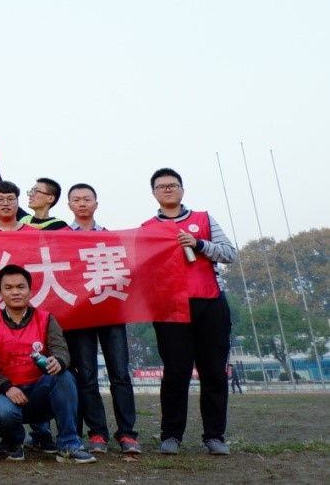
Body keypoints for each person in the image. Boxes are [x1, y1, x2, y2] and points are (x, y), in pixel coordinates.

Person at [143, 168, 236, 456]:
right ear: (154, 193)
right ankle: (171, 435)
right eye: (161, 186)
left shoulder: (204, 219)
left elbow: (229, 253)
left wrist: (199, 244)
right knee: (175, 373)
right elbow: (142, 269)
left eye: (173, 185)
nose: (167, 190)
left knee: (214, 373)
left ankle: (214, 436)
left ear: (182, 189)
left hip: (210, 303)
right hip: (170, 309)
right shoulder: (147, 229)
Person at [0, 264, 94, 463]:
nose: (15, 292)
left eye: (20, 287)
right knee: (2, 411)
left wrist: (59, 361)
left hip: (40, 393)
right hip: (7, 394)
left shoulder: (46, 318)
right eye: (8, 288)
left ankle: (68, 445)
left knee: (64, 376)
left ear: (30, 290)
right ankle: (14, 441)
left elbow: (60, 349)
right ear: (0, 293)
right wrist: (6, 387)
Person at [64, 183, 141, 455]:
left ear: (96, 204)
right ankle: (97, 433)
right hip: (80, 315)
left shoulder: (111, 237)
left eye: (87, 199)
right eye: (76, 199)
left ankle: (127, 433)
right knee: (86, 377)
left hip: (111, 312)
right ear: (69, 206)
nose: (82, 203)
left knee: (120, 374)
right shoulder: (61, 238)